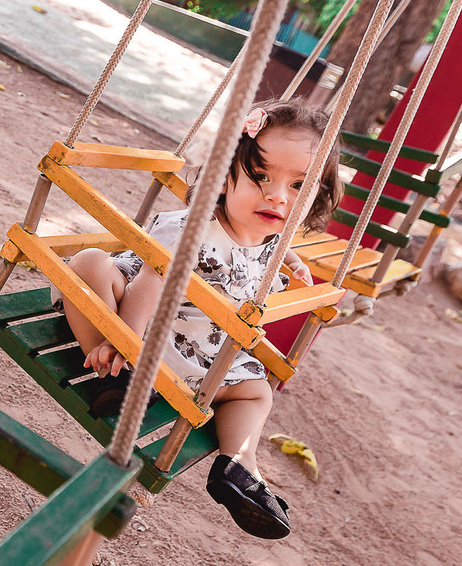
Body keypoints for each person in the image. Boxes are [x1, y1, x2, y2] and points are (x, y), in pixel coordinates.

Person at [58, 99, 342, 539]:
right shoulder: (193, 228)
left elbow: (260, 241)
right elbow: (150, 284)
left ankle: (239, 467)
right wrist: (126, 340)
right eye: (261, 177)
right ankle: (114, 371)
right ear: (223, 177)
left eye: (298, 186)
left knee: (256, 392)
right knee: (90, 264)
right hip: (140, 322)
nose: (277, 196)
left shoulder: (267, 234)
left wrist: (288, 256)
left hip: (198, 345)